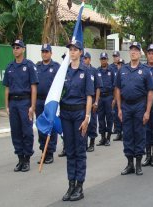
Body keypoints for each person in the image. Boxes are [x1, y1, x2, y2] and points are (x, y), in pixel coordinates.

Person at [60, 40, 94, 201]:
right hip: (66, 114)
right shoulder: (63, 71)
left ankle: (79, 186)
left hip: (79, 114)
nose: (72, 52)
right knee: (70, 150)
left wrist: (87, 118)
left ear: (81, 52)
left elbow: (89, 96)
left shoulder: (86, 71)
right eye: (70, 50)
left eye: (75, 49)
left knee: (80, 151)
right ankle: (71, 184)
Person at [115, 42, 153, 176]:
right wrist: (119, 109)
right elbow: (117, 89)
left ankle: (138, 164)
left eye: (136, 50)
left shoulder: (145, 71)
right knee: (127, 134)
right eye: (131, 50)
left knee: (139, 133)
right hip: (126, 105)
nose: (133, 52)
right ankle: (129, 163)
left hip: (139, 106)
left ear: (140, 53)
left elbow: (150, 92)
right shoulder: (123, 70)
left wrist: (147, 111)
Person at [3, 40, 39, 172]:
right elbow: (7, 88)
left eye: (18, 47)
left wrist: (32, 106)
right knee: (16, 131)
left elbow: (33, 87)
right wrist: (7, 106)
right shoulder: (10, 67)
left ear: (23, 49)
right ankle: (20, 159)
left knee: (27, 132)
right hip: (13, 103)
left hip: (25, 102)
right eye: (14, 48)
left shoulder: (29, 65)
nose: (15, 50)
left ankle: (27, 159)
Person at [36, 44, 60, 164]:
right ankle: (43, 152)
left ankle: (49, 152)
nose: (44, 53)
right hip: (39, 101)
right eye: (43, 51)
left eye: (47, 51)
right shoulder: (37, 66)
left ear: (51, 53)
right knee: (41, 126)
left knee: (50, 126)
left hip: (50, 102)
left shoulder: (56, 67)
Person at [83, 52, 102, 152]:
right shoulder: (80, 70)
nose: (84, 60)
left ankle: (92, 143)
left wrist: (96, 102)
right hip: (83, 101)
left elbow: (98, 87)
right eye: (83, 58)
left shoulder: (94, 71)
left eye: (86, 58)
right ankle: (84, 143)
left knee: (92, 122)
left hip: (93, 99)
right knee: (84, 122)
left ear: (89, 59)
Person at [96, 52, 115, 146]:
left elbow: (115, 86)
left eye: (105, 59)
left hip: (109, 97)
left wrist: (114, 99)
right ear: (100, 60)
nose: (103, 60)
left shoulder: (111, 70)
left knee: (109, 118)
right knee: (100, 118)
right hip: (100, 97)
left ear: (107, 60)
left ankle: (108, 138)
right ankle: (102, 137)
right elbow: (96, 86)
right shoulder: (97, 71)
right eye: (102, 59)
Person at [112, 58, 125, 141]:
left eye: (121, 64)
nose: (120, 65)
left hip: (124, 98)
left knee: (124, 116)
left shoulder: (126, 73)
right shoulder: (116, 73)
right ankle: (119, 133)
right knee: (117, 116)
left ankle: (124, 133)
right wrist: (114, 99)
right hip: (118, 98)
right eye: (119, 64)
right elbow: (115, 88)